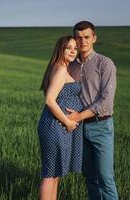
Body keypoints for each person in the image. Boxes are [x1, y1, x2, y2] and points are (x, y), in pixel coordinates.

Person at [67, 21, 118, 199]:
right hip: (78, 129)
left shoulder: (105, 64)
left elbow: (106, 101)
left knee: (106, 178)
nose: (83, 41)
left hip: (101, 127)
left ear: (94, 38)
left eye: (87, 37)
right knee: (90, 177)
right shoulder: (70, 66)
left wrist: (78, 116)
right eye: (78, 37)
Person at [37, 35, 83, 200]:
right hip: (56, 125)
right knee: (50, 173)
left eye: (75, 48)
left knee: (56, 173)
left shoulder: (59, 67)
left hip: (57, 126)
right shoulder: (61, 69)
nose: (72, 51)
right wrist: (68, 122)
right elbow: (49, 100)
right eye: (68, 47)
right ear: (60, 49)